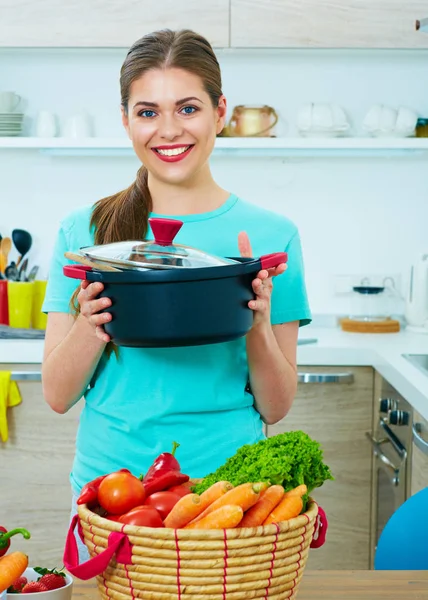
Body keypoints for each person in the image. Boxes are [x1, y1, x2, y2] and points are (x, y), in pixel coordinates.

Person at [41, 28, 311, 549]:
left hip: (226, 494)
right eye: (147, 112)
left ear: (220, 111)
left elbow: (275, 407)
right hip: (110, 492)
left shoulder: (272, 237)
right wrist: (92, 321)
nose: (168, 130)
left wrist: (256, 318)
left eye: (188, 108)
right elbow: (56, 395)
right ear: (125, 120)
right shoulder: (86, 233)